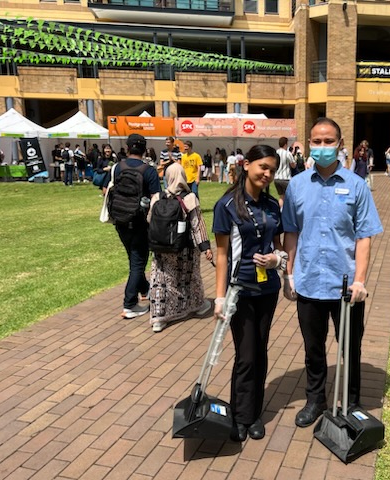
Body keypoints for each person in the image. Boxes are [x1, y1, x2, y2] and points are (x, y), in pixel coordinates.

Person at [282, 117, 383, 428]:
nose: (322, 147)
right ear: (308, 144)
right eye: (316, 141)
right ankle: (315, 400)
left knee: (349, 348)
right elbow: (291, 232)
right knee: (313, 349)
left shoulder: (356, 185)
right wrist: (288, 274)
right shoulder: (296, 185)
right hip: (309, 282)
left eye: (328, 142)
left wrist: (361, 281)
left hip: (346, 286)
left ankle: (351, 401)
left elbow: (364, 236)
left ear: (340, 145)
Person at [212, 144, 286, 442]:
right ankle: (240, 415)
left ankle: (254, 413)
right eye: (262, 167)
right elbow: (221, 255)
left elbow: (279, 246)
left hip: (267, 290)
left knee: (260, 350)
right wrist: (218, 298)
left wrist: (276, 260)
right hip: (238, 292)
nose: (267, 174)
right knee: (246, 354)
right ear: (246, 165)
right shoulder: (226, 205)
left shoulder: (271, 205)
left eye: (271, 169)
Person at [148, 163, 213, 333]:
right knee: (189, 278)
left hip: (161, 246)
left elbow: (149, 220)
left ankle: (159, 317)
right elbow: (197, 224)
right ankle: (195, 306)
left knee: (161, 280)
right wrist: (205, 246)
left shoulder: (157, 197)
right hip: (185, 247)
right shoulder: (189, 198)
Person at [103, 134, 161, 318]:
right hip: (140, 222)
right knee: (137, 263)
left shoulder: (116, 168)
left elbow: (106, 190)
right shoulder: (149, 171)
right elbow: (156, 199)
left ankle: (145, 290)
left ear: (127, 148)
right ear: (144, 150)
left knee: (134, 260)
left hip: (120, 221)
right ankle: (129, 304)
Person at [274, 137, 295, 208]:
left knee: (281, 196)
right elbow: (293, 165)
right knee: (290, 197)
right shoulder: (287, 153)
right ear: (285, 144)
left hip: (276, 178)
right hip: (285, 178)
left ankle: (280, 210)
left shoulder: (275, 152)